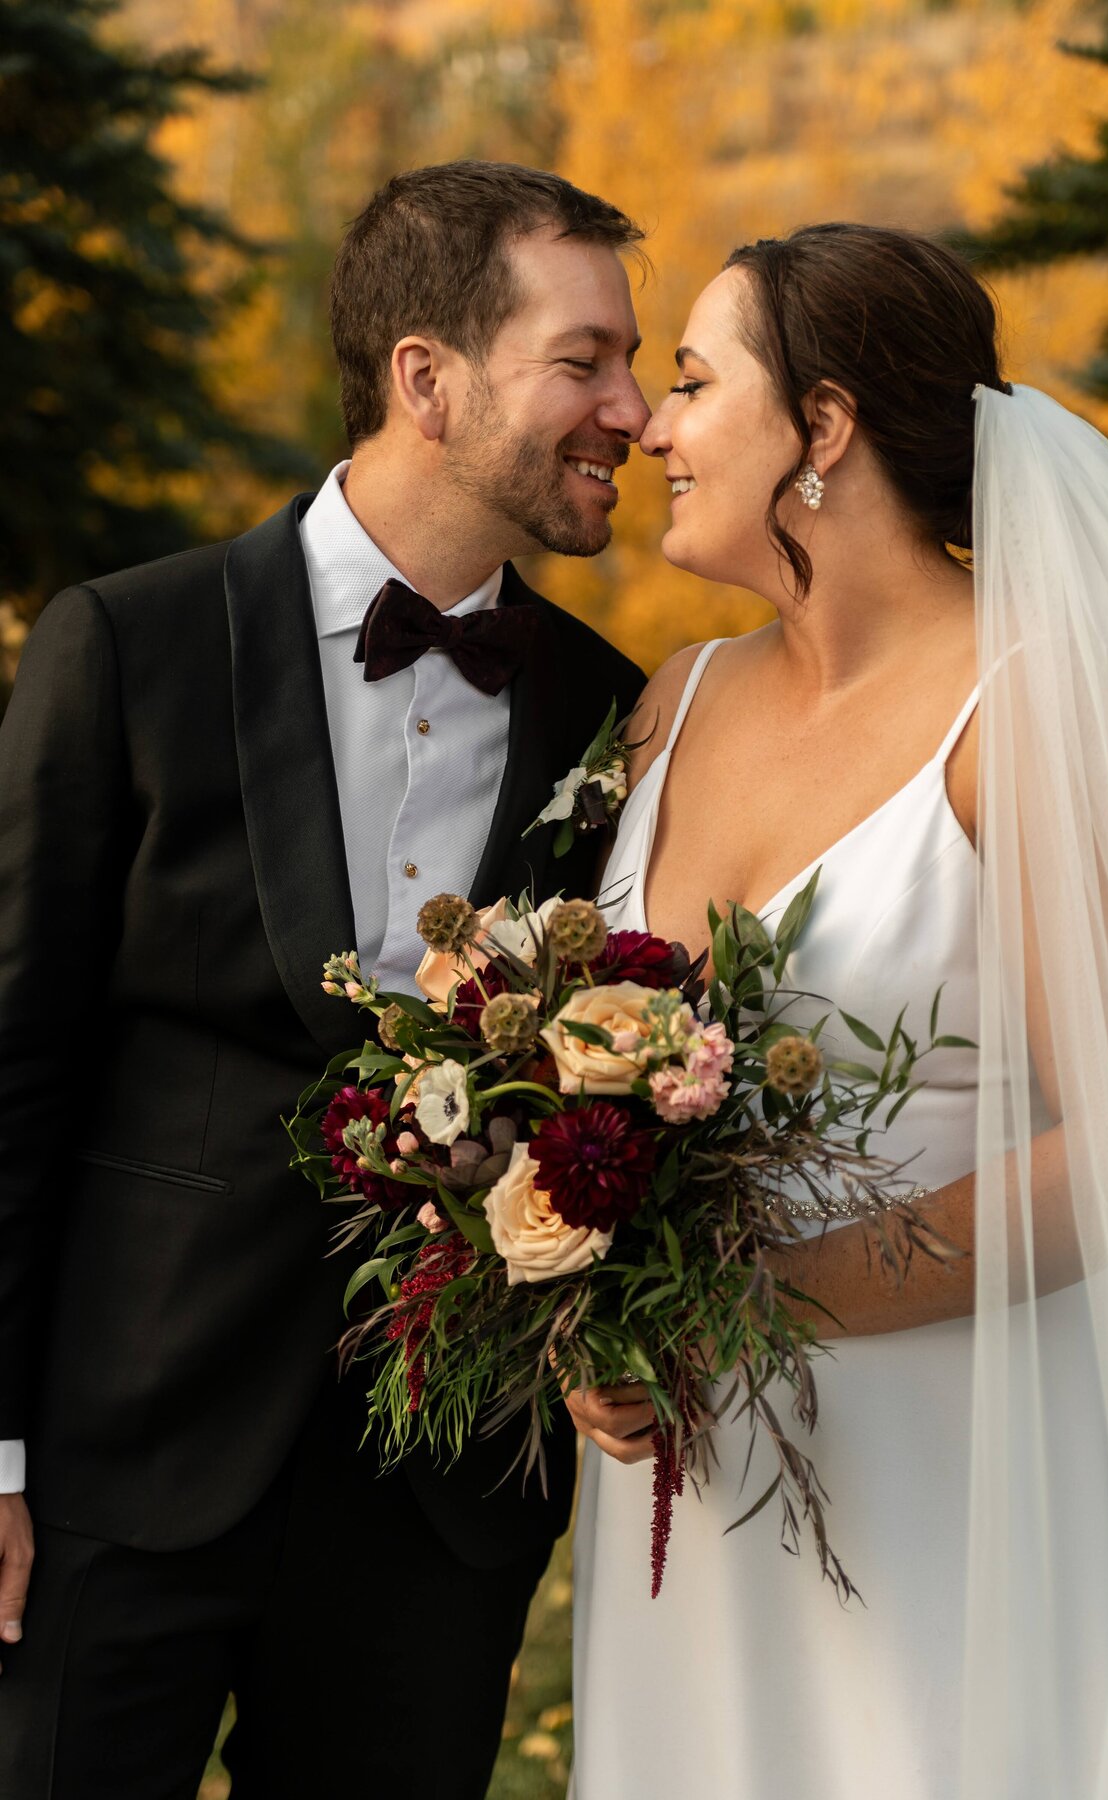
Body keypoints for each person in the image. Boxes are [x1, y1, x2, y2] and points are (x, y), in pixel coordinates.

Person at [0, 160, 648, 1800]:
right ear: (427, 379)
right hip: (111, 1470)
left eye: (632, 367)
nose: (630, 411)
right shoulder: (126, 646)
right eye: (584, 360)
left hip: (433, 1514)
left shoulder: (615, 716)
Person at [566, 223, 1108, 1798]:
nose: (654, 423)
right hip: (694, 1503)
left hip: (950, 1478)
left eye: (698, 383)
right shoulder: (672, 706)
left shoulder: (1028, 704)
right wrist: (592, 1319)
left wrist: (756, 1301)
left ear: (825, 430)